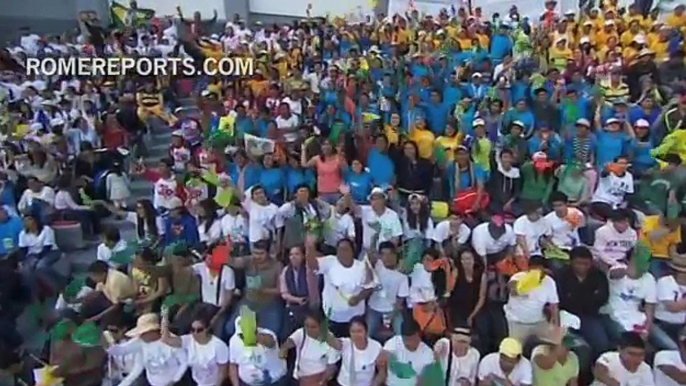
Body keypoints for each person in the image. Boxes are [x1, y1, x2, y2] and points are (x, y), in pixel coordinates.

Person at [556, 246, 611, 360]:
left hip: (589, 316)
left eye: (586, 264)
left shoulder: (598, 275)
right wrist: (587, 299)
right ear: (571, 262)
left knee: (601, 343)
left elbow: (603, 297)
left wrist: (577, 299)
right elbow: (559, 299)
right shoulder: (561, 275)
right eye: (578, 263)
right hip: (565, 315)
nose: (582, 267)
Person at [107, 313, 189, 386]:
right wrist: (108, 346)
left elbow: (184, 362)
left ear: (153, 331)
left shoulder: (172, 341)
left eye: (143, 333)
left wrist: (175, 380)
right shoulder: (140, 341)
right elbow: (122, 350)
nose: (141, 335)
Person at [162, 314, 230, 386]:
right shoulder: (188, 340)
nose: (195, 333)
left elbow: (223, 371)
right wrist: (165, 322)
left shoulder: (219, 345)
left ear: (207, 329)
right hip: (197, 382)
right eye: (192, 330)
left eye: (199, 330)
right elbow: (167, 340)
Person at [504, 255, 559, 344]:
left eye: (539, 269)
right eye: (533, 269)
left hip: (539, 322)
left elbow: (554, 306)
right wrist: (527, 283)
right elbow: (512, 288)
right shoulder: (518, 277)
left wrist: (556, 327)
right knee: (514, 350)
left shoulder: (549, 282)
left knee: (551, 345)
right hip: (517, 323)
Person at [279, 310, 340, 386]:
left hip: (318, 377)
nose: (309, 330)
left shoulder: (331, 341)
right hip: (299, 376)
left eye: (313, 327)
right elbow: (291, 341)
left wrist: (322, 381)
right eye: (307, 326)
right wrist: (284, 348)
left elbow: (331, 367)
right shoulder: (302, 332)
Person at [329, 316, 383, 386]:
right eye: (353, 331)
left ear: (366, 331)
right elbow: (333, 341)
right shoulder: (345, 343)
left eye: (359, 331)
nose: (356, 335)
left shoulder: (376, 346)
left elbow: (381, 372)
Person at [378, 319, 434, 386]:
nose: (408, 343)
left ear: (419, 335)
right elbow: (382, 358)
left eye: (412, 339)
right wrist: (384, 359)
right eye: (406, 339)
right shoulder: (394, 342)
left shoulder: (428, 353)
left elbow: (423, 381)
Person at [590, 332, 655, 386]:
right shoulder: (609, 357)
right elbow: (599, 372)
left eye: (640, 354)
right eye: (631, 354)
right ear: (620, 350)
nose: (636, 358)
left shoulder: (645, 369)